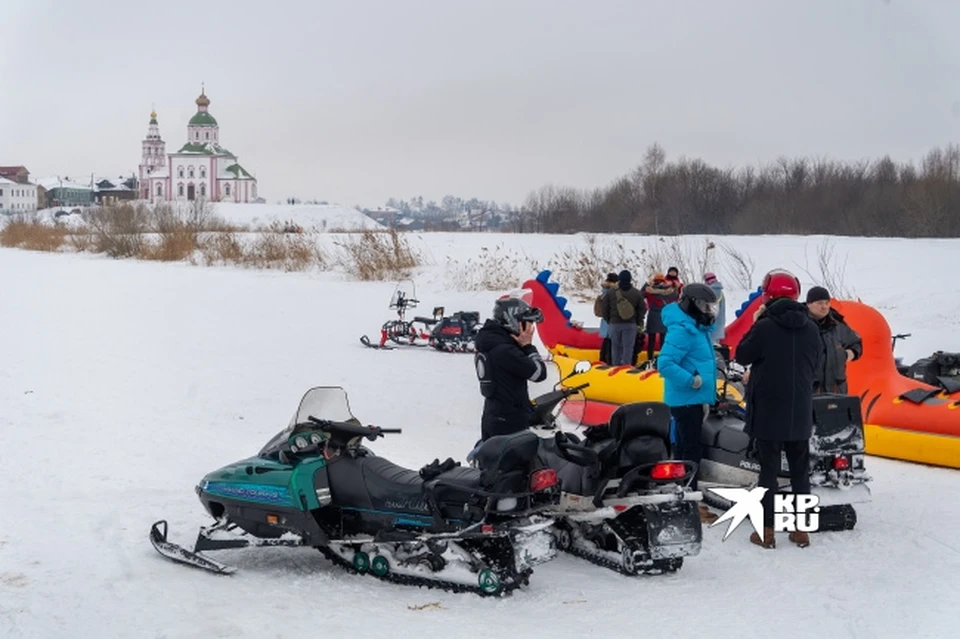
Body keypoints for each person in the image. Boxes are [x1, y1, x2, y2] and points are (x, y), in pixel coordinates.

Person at [734, 269, 820, 549]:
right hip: (800, 409)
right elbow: (816, 362)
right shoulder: (811, 327)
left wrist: (755, 323)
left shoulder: (765, 326)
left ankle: (766, 531)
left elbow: (742, 354)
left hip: (769, 409)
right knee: (799, 471)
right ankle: (801, 529)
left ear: (767, 295)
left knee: (768, 472)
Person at [656, 283, 720, 523]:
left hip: (693, 399)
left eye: (710, 306)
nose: (708, 310)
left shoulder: (696, 327)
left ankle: (681, 492)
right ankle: (690, 499)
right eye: (704, 305)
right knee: (691, 449)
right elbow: (665, 363)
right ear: (691, 304)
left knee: (685, 448)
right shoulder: (683, 329)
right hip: (686, 399)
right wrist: (691, 381)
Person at [474, 297, 548, 441]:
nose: (530, 328)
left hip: (493, 415)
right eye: (526, 323)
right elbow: (539, 373)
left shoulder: (490, 342)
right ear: (514, 321)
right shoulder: (505, 351)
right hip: (509, 422)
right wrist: (528, 347)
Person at [805, 286, 863, 394]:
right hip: (808, 395)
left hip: (837, 392)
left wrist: (848, 354)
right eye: (820, 303)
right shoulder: (799, 325)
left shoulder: (837, 325)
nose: (824, 307)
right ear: (808, 304)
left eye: (827, 303)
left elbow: (856, 343)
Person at [601, 270, 646, 366]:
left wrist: (609, 320)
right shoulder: (636, 293)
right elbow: (642, 309)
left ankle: (615, 368)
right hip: (630, 324)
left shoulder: (611, 292)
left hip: (614, 324)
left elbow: (604, 308)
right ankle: (626, 369)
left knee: (615, 347)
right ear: (630, 279)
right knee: (628, 348)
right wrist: (637, 322)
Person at [641, 272, 679, 367]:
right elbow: (676, 295)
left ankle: (650, 359)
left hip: (652, 315)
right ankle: (662, 360)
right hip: (664, 316)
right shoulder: (668, 291)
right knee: (663, 339)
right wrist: (675, 286)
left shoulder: (649, 291)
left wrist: (647, 284)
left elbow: (640, 293)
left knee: (651, 340)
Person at [593, 273, 619, 365]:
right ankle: (609, 363)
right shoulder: (614, 293)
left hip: (604, 321)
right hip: (612, 321)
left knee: (606, 343)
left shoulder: (603, 293)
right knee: (611, 344)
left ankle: (602, 360)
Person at [703, 272, 726, 343]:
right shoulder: (720, 292)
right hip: (720, 322)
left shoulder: (711, 292)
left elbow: (709, 311)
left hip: (712, 326)